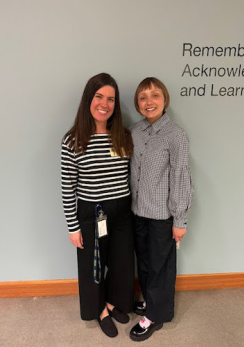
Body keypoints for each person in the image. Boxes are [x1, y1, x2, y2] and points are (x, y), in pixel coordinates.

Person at [61, 73, 134, 338]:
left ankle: (113, 303)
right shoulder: (73, 141)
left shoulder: (123, 137)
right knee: (92, 266)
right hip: (91, 212)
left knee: (122, 262)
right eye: (99, 97)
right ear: (88, 99)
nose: (105, 104)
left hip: (122, 211)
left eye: (111, 99)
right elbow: (68, 187)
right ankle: (99, 310)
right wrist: (73, 226)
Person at [129, 77, 194, 342]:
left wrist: (180, 219)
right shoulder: (135, 131)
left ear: (164, 100)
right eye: (143, 97)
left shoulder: (176, 135)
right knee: (144, 263)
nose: (149, 102)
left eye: (155, 95)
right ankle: (152, 303)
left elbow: (181, 176)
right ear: (138, 104)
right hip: (137, 212)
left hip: (162, 216)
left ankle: (155, 316)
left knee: (160, 267)